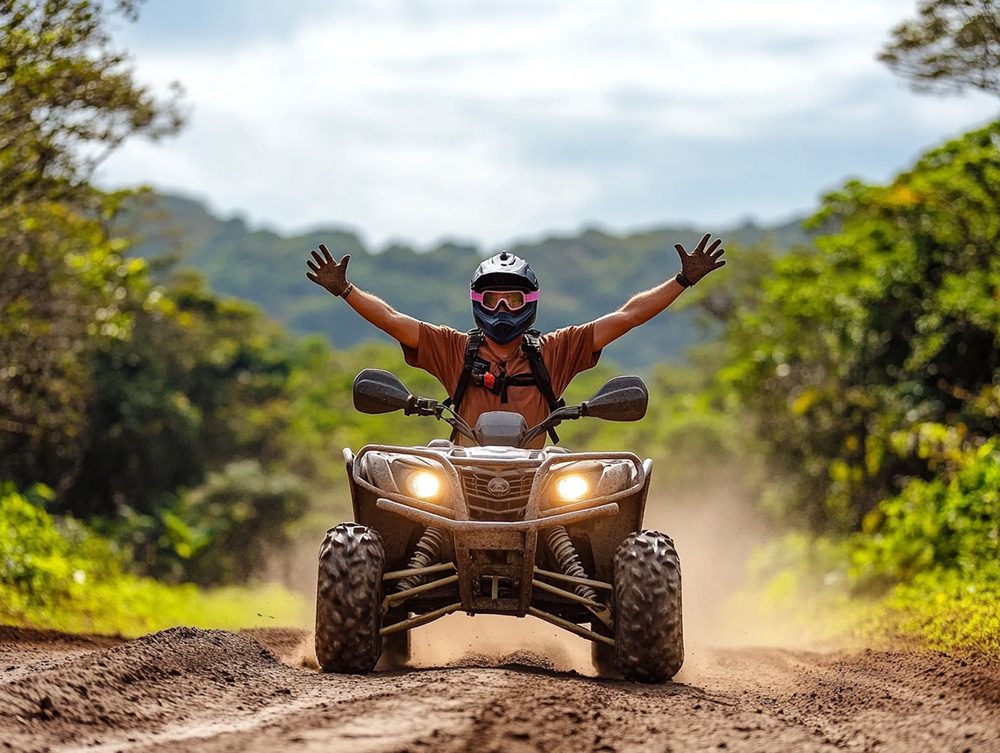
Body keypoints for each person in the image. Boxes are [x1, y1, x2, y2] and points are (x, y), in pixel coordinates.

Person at [306, 235, 725, 448]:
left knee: (611, 498)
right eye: (493, 298)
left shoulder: (556, 350)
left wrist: (683, 281)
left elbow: (627, 316)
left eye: (514, 298)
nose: (504, 308)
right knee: (383, 483)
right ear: (477, 302)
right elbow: (394, 320)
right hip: (458, 478)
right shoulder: (452, 348)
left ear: (531, 303)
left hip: (537, 479)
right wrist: (346, 290)